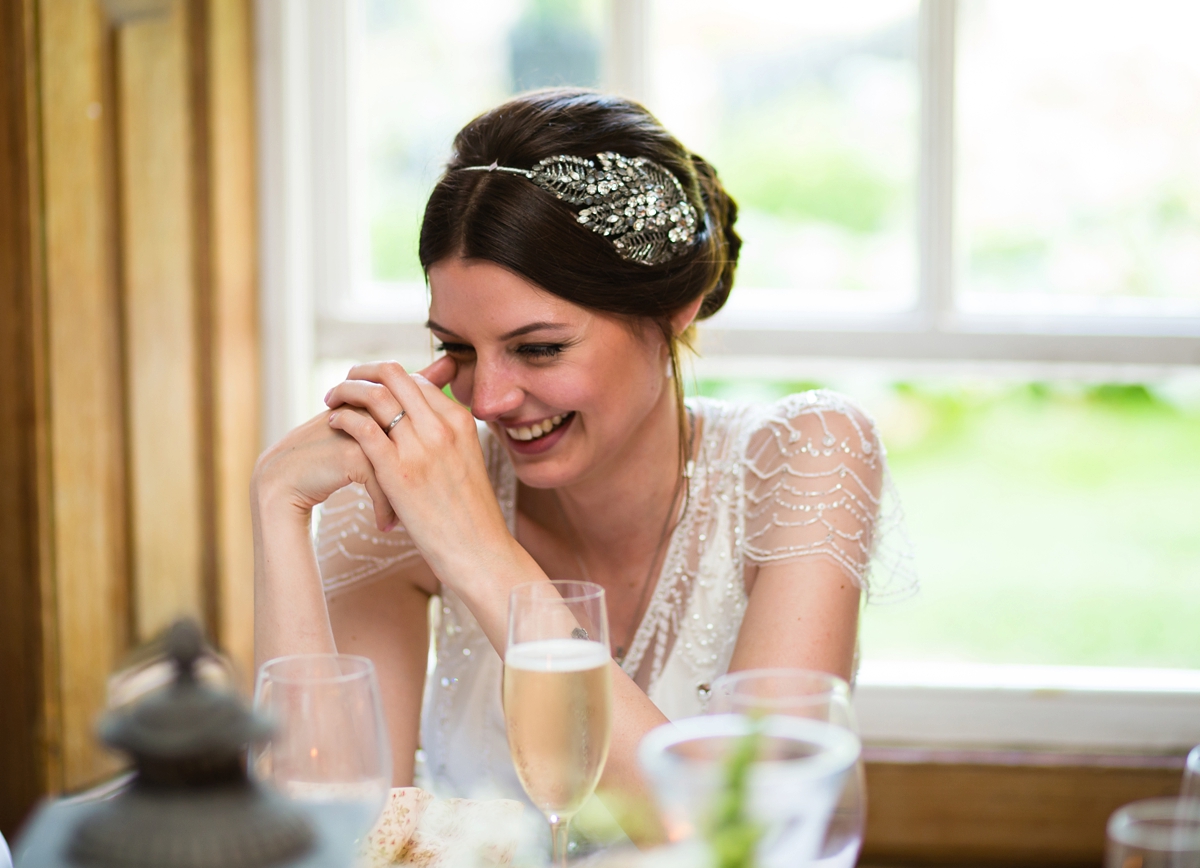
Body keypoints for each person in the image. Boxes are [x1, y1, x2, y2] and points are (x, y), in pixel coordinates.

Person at [252, 89, 913, 816]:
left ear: (671, 310)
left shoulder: (806, 455)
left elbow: (750, 836)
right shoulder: (399, 494)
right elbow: (326, 833)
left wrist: (478, 551)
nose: (492, 398)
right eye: (458, 349)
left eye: (539, 347)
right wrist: (277, 504)